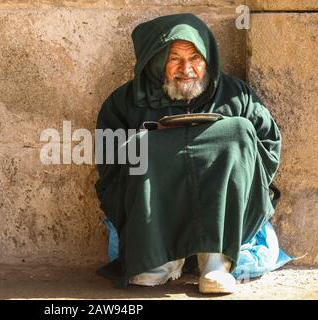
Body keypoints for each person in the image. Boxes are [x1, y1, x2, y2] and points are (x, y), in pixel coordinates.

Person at [94, 13, 282, 294]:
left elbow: (267, 146)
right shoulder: (125, 102)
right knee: (142, 146)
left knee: (238, 133)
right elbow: (109, 164)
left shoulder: (234, 94)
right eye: (174, 59)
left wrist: (243, 177)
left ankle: (216, 262)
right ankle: (157, 257)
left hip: (224, 219)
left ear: (208, 58)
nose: (187, 68)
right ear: (157, 62)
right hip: (153, 212)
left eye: (195, 57)